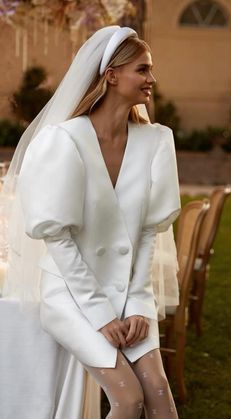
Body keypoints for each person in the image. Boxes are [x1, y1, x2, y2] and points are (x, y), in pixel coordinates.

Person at [3, 26, 181, 418]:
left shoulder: (155, 142)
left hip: (130, 291)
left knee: (158, 390)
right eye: (142, 69)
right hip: (70, 292)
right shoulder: (63, 142)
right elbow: (58, 239)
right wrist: (102, 314)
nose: (151, 79)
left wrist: (136, 305)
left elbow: (149, 232)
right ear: (111, 76)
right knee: (129, 398)